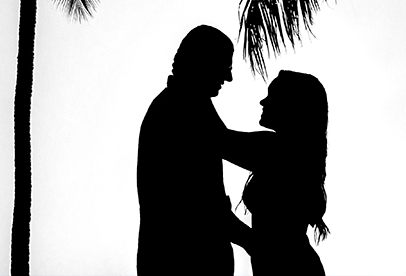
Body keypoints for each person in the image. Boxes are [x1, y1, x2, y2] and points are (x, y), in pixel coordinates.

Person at [136, 25, 251, 275]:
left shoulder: (188, 103)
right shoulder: (181, 107)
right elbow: (201, 206)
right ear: (203, 62)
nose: (229, 77)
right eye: (225, 66)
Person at [224, 71, 328, 276]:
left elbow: (215, 139)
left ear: (292, 106)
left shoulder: (277, 150)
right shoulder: (294, 153)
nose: (263, 101)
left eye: (272, 96)